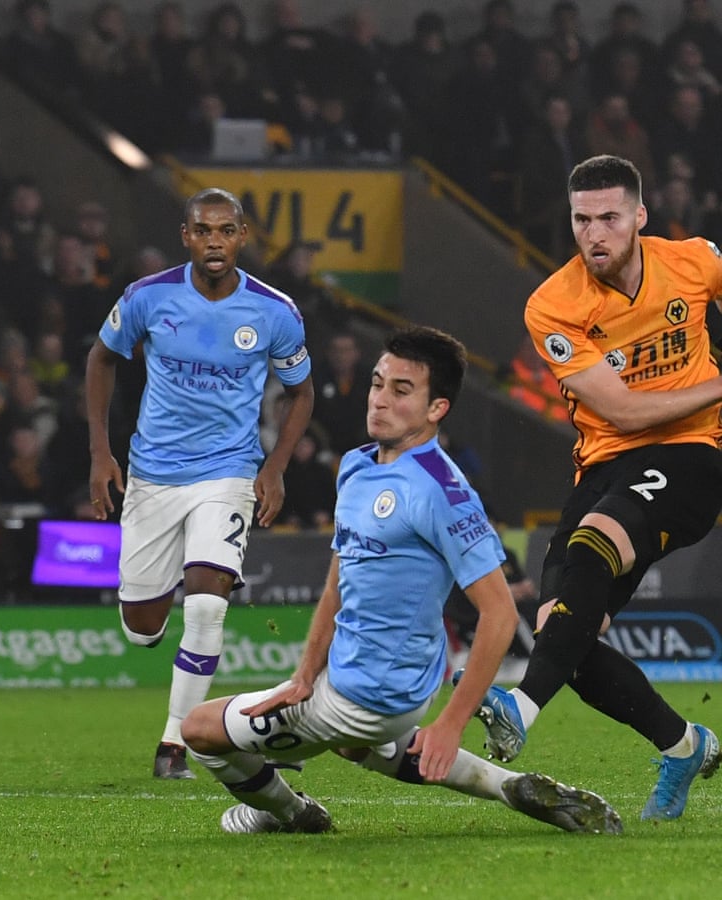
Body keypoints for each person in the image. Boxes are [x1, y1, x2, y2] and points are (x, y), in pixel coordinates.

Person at [179, 326, 621, 836]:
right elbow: (337, 584)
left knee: (200, 732)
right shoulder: (356, 468)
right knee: (353, 747)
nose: (379, 401)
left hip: (366, 697)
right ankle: (506, 785)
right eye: (376, 383)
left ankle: (288, 813)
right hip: (384, 686)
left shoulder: (442, 491)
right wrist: (304, 676)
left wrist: (452, 723)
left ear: (437, 409)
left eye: (401, 390)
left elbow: (499, 614)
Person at [466, 154, 722, 821]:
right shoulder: (553, 304)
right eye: (582, 219)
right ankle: (683, 742)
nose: (594, 233)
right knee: (565, 636)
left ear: (639, 216)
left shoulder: (695, 261)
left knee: (593, 543)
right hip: (608, 461)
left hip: (696, 452)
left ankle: (520, 703)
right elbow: (627, 414)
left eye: (609, 217)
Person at [85, 187, 314, 779]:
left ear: (242, 236)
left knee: (208, 606)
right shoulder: (147, 297)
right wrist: (101, 453)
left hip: (229, 472)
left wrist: (274, 466)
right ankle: (152, 625)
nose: (215, 241)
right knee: (141, 629)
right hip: (153, 475)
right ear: (186, 237)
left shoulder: (274, 311)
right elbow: (100, 359)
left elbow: (302, 391)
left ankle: (175, 743)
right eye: (203, 231)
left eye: (226, 230)